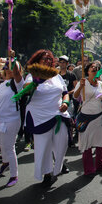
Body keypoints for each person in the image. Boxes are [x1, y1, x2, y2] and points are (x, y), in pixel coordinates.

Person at [24, 49, 71, 187]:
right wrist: (35, 82)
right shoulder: (32, 74)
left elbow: (65, 92)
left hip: (58, 114)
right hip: (40, 117)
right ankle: (47, 173)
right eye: (44, 58)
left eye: (49, 58)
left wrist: (65, 102)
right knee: (43, 147)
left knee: (62, 143)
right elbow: (25, 89)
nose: (47, 60)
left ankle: (59, 165)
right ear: (37, 60)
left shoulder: (56, 76)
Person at [74, 59, 102, 176]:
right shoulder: (82, 82)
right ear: (88, 71)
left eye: (97, 68)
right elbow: (75, 96)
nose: (95, 69)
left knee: (99, 142)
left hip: (99, 118)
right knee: (87, 144)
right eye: (93, 68)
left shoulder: (101, 84)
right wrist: (80, 87)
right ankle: (89, 169)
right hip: (86, 118)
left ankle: (101, 164)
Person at [0, 51, 24, 187]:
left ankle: (14, 175)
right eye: (6, 68)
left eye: (10, 68)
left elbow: (17, 72)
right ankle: (5, 162)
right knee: (1, 144)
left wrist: (13, 58)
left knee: (9, 146)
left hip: (11, 120)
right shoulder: (1, 84)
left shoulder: (17, 83)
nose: (9, 70)